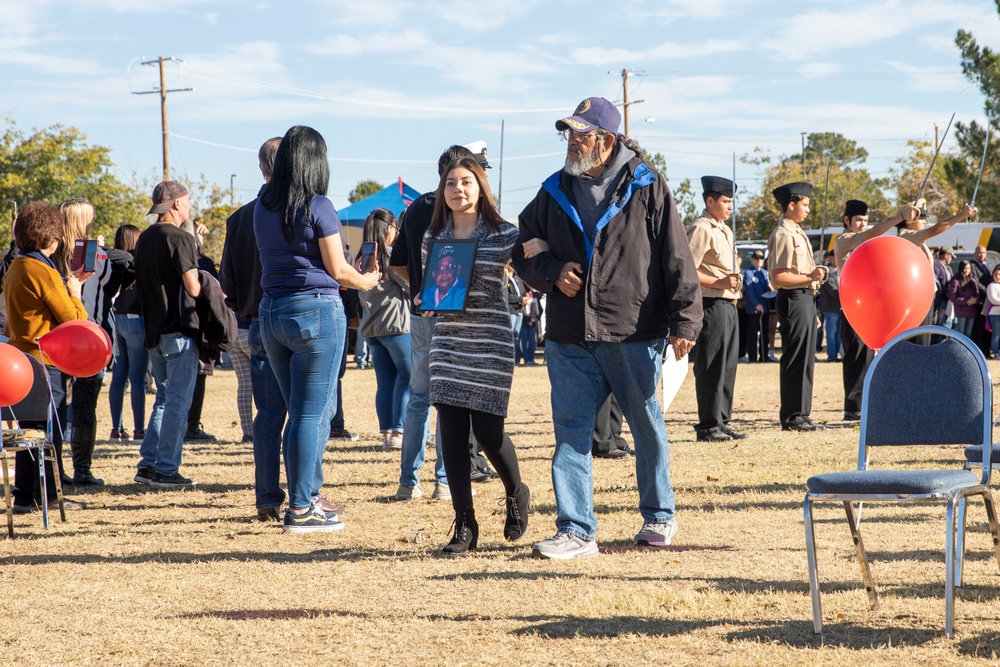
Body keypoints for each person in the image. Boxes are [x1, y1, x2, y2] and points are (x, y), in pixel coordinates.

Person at [513, 96, 702, 559]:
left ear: (607, 140)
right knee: (571, 432)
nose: (573, 143)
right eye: (569, 135)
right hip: (568, 333)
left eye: (582, 135)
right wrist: (553, 271)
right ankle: (576, 530)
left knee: (646, 426)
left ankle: (659, 516)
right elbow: (523, 249)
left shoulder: (647, 184)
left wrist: (686, 319)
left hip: (633, 329)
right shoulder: (553, 189)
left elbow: (675, 255)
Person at [255, 125, 379, 533]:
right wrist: (369, 281)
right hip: (316, 312)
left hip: (272, 313)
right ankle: (303, 508)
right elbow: (340, 270)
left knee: (299, 415)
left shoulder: (262, 205)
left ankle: (305, 498)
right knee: (311, 415)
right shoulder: (318, 205)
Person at [418, 156, 528, 555]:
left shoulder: (504, 235)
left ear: (481, 187)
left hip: (491, 343)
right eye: (450, 183)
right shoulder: (434, 239)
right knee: (451, 434)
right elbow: (436, 287)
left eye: (466, 182)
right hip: (448, 343)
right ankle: (465, 524)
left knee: (488, 433)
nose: (457, 190)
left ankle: (516, 490)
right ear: (441, 192)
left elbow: (532, 272)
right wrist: (426, 299)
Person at [388, 144, 477, 502]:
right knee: (448, 399)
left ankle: (409, 482)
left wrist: (420, 290)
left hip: (422, 312)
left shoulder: (415, 210)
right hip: (455, 315)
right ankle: (443, 480)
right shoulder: (467, 209)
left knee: (419, 398)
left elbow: (396, 263)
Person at [4, 201, 90, 513]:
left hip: (22, 359)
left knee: (30, 433)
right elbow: (73, 321)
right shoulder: (43, 271)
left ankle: (26, 497)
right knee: (49, 431)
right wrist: (76, 291)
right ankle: (50, 496)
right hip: (45, 361)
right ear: (51, 236)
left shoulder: (16, 265)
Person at [133, 181, 203, 489]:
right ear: (174, 205)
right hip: (178, 330)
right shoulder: (180, 238)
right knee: (176, 402)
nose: (189, 208)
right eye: (187, 202)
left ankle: (148, 464)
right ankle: (166, 469)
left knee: (162, 400)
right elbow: (193, 287)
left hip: (153, 332)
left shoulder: (145, 238)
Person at [62, 198, 134, 485]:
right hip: (93, 338)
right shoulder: (101, 257)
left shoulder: (53, 256)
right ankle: (82, 470)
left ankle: (62, 470)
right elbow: (127, 262)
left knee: (56, 406)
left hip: (61, 338)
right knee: (84, 405)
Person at [834, 200, 918, 420]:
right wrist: (899, 216)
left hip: (870, 309)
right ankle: (852, 408)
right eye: (858, 220)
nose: (862, 225)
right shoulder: (843, 241)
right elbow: (872, 234)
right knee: (856, 357)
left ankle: (866, 404)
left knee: (870, 358)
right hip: (852, 308)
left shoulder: (865, 243)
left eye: (865, 221)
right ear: (846, 221)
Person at [687, 175, 745, 442]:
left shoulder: (724, 228)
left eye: (732, 201)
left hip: (730, 304)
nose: (730, 206)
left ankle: (721, 420)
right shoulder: (701, 228)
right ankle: (708, 425)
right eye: (725, 201)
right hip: (711, 304)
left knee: (727, 365)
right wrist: (719, 281)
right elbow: (686, 270)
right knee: (710, 366)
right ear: (710, 201)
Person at [767, 182, 828, 432]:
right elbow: (777, 278)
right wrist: (810, 277)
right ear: (790, 205)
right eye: (805, 204)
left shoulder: (797, 231)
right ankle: (792, 416)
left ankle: (802, 413)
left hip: (805, 299)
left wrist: (814, 279)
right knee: (795, 358)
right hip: (792, 298)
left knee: (806, 359)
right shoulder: (783, 234)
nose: (808, 210)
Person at [358, 208, 410, 452]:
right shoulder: (390, 255)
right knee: (409, 379)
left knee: (385, 383)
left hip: (372, 329)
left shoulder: (364, 258)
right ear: (389, 229)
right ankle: (400, 431)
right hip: (396, 326)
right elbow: (410, 286)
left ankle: (387, 434)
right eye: (396, 228)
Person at [108, 224, 148, 441]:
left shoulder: (112, 260)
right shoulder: (136, 260)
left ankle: (117, 429)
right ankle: (139, 430)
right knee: (138, 378)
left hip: (117, 318)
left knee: (119, 377)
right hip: (136, 319)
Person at [742, 250, 771, 363]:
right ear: (752, 260)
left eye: (761, 259)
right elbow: (750, 292)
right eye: (756, 259)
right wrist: (756, 304)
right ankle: (752, 357)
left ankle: (764, 356)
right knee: (753, 334)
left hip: (765, 306)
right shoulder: (749, 273)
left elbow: (767, 287)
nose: (759, 261)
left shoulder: (764, 273)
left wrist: (771, 288)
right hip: (753, 309)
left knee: (765, 333)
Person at [947, 261, 984, 338]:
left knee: (968, 333)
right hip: (961, 311)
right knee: (961, 333)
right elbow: (952, 296)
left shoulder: (972, 281)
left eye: (968, 268)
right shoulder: (956, 280)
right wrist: (966, 301)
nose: (966, 270)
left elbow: (977, 294)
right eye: (965, 268)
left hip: (971, 310)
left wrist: (976, 300)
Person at [816, 250, 841, 362]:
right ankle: (832, 355)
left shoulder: (841, 270)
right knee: (831, 333)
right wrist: (846, 296)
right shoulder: (827, 272)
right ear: (830, 258)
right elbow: (832, 290)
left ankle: (837, 353)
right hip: (831, 308)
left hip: (840, 308)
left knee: (838, 333)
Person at [519, 288, 542, 365]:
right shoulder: (523, 294)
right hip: (524, 323)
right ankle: (526, 360)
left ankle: (531, 359)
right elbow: (521, 309)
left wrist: (536, 318)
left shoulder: (535, 295)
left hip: (533, 323)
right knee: (524, 342)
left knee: (533, 342)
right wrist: (528, 320)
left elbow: (540, 309)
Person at [985, 266, 1000, 358]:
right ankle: (996, 352)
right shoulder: (991, 286)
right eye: (996, 275)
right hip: (994, 313)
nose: (998, 276)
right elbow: (993, 299)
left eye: (999, 274)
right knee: (996, 333)